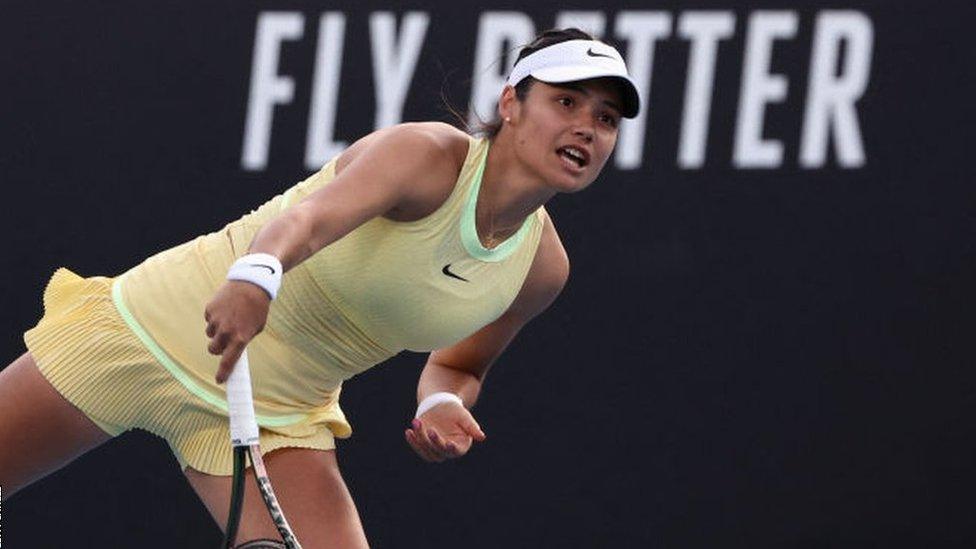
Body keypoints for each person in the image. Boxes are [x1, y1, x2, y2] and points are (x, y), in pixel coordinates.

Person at [0, 27, 640, 548]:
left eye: (606, 118)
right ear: (510, 104)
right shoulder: (426, 156)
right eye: (566, 101)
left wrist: (439, 403)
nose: (587, 126)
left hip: (277, 418)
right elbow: (304, 223)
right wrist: (255, 277)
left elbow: (457, 364)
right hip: (148, 330)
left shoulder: (540, 270)